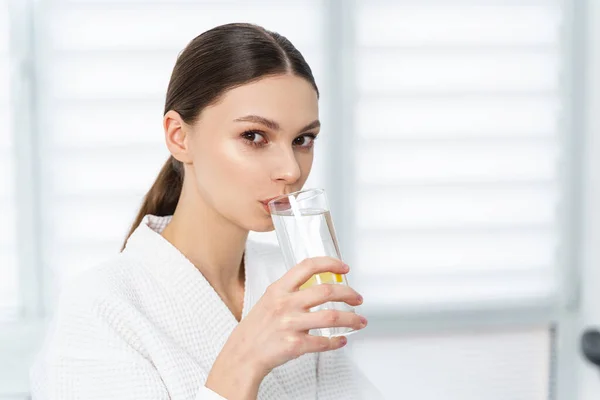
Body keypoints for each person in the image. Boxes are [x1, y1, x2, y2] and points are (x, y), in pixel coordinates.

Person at [30, 23, 382, 399]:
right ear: (179, 137)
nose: (291, 170)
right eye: (254, 136)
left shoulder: (289, 281)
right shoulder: (101, 308)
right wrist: (243, 362)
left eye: (303, 140)